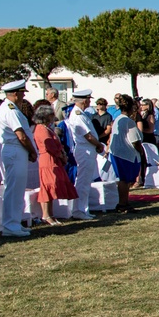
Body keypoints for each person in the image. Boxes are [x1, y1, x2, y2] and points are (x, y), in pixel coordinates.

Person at [0, 80, 38, 237]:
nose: (23, 95)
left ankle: (14, 222)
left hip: (16, 150)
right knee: (14, 189)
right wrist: (32, 151)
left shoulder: (11, 108)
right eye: (21, 92)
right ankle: (10, 225)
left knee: (18, 189)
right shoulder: (10, 109)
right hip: (15, 149)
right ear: (14, 93)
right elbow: (21, 135)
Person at [32, 104, 77, 225]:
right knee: (48, 186)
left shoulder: (47, 128)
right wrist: (61, 155)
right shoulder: (41, 129)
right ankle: (46, 215)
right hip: (48, 159)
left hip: (53, 159)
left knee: (53, 187)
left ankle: (50, 214)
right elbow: (49, 146)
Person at [66, 89, 105, 220]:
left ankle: (83, 208)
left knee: (85, 181)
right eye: (88, 99)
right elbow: (87, 135)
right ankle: (79, 210)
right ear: (84, 100)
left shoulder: (81, 114)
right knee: (83, 182)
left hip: (87, 149)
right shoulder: (78, 115)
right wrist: (98, 145)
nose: (89, 101)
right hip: (85, 149)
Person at [108, 95, 145, 213]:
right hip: (126, 154)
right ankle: (122, 203)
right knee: (125, 180)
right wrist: (141, 152)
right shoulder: (129, 122)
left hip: (117, 153)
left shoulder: (118, 119)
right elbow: (135, 141)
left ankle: (124, 202)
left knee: (123, 179)